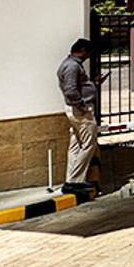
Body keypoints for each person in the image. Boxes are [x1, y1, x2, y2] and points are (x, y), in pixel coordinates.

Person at [57, 38, 101, 194]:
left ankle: (71, 180)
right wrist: (82, 107)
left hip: (75, 110)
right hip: (80, 111)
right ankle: (76, 182)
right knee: (89, 144)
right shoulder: (72, 67)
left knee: (75, 145)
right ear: (82, 50)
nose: (88, 56)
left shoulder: (70, 64)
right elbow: (70, 90)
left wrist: (92, 84)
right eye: (88, 53)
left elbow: (77, 86)